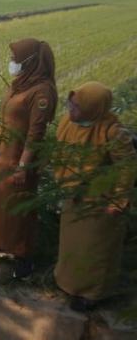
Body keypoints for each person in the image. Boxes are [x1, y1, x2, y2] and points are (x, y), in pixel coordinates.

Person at [0, 38, 58, 280]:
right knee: (1, 205)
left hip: (20, 160)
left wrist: (23, 166)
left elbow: (36, 133)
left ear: (31, 61)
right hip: (4, 155)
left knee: (20, 211)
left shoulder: (42, 91)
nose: (12, 63)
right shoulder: (21, 85)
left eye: (15, 59)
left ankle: (24, 259)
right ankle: (0, 245)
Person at [54, 82, 136, 312]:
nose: (71, 111)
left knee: (96, 250)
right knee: (72, 245)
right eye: (71, 105)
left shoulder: (112, 132)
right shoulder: (67, 123)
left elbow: (127, 167)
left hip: (100, 203)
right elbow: (59, 153)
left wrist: (118, 200)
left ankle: (93, 293)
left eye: (77, 107)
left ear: (94, 108)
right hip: (74, 196)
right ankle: (68, 284)